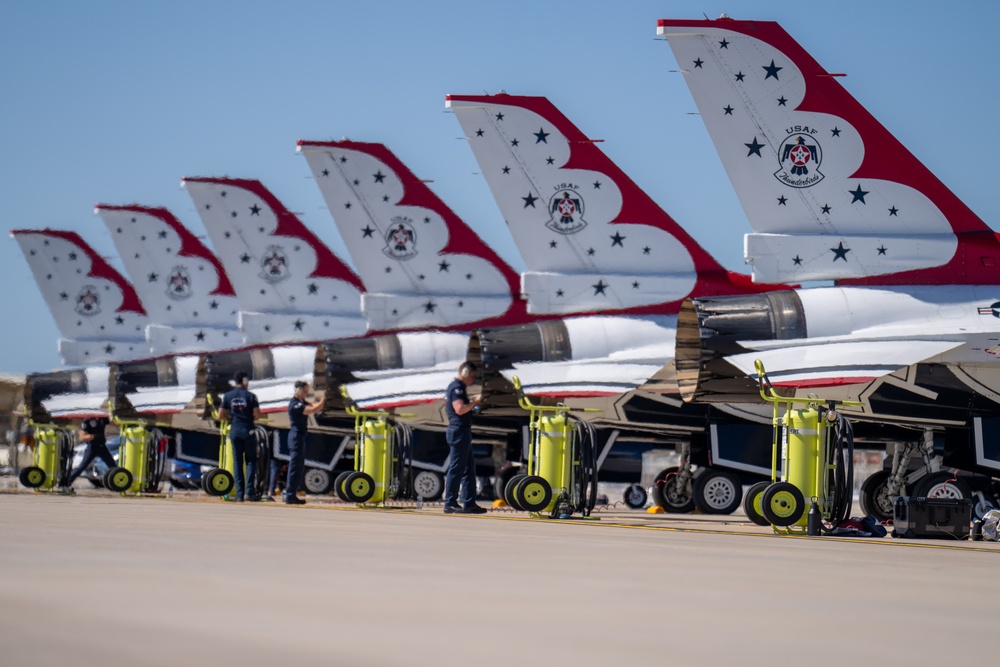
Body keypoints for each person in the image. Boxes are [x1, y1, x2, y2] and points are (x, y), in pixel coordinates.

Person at [442, 362, 487, 514]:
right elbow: (459, 409)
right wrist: (475, 401)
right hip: (459, 431)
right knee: (457, 467)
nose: (473, 380)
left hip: (462, 431)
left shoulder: (458, 388)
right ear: (466, 373)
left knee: (468, 469)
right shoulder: (457, 388)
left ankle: (469, 502)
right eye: (472, 376)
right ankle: (450, 502)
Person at [219, 371, 261, 502]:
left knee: (237, 462)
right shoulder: (251, 396)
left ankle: (239, 494)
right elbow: (257, 415)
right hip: (248, 430)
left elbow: (220, 415)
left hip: (235, 431)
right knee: (250, 461)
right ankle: (250, 492)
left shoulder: (227, 396)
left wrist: (230, 419)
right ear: (245, 381)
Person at [284, 380, 325, 505]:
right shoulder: (295, 404)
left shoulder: (301, 401)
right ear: (300, 390)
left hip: (300, 436)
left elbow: (315, 406)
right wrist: (325, 398)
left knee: (299, 467)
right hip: (295, 436)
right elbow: (312, 409)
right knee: (295, 467)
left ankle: (292, 493)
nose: (306, 394)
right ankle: (290, 495)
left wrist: (320, 400)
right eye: (305, 391)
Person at [64, 416, 114, 493]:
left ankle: (118, 482)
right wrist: (93, 436)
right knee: (82, 466)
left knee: (112, 466)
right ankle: (66, 482)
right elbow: (82, 437)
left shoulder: (102, 418)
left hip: (102, 446)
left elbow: (114, 423)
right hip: (92, 447)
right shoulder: (87, 421)